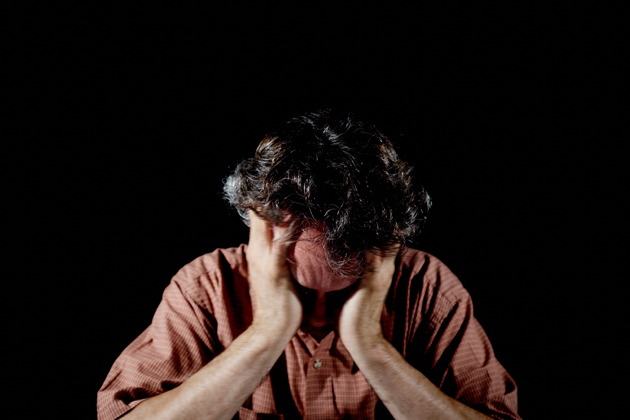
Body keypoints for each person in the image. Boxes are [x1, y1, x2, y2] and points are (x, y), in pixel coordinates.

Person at [97, 110, 520, 420]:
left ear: (387, 247)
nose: (318, 314)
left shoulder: (428, 287)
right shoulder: (204, 287)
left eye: (342, 293)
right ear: (261, 232)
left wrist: (368, 343)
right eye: (300, 287)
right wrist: (267, 332)